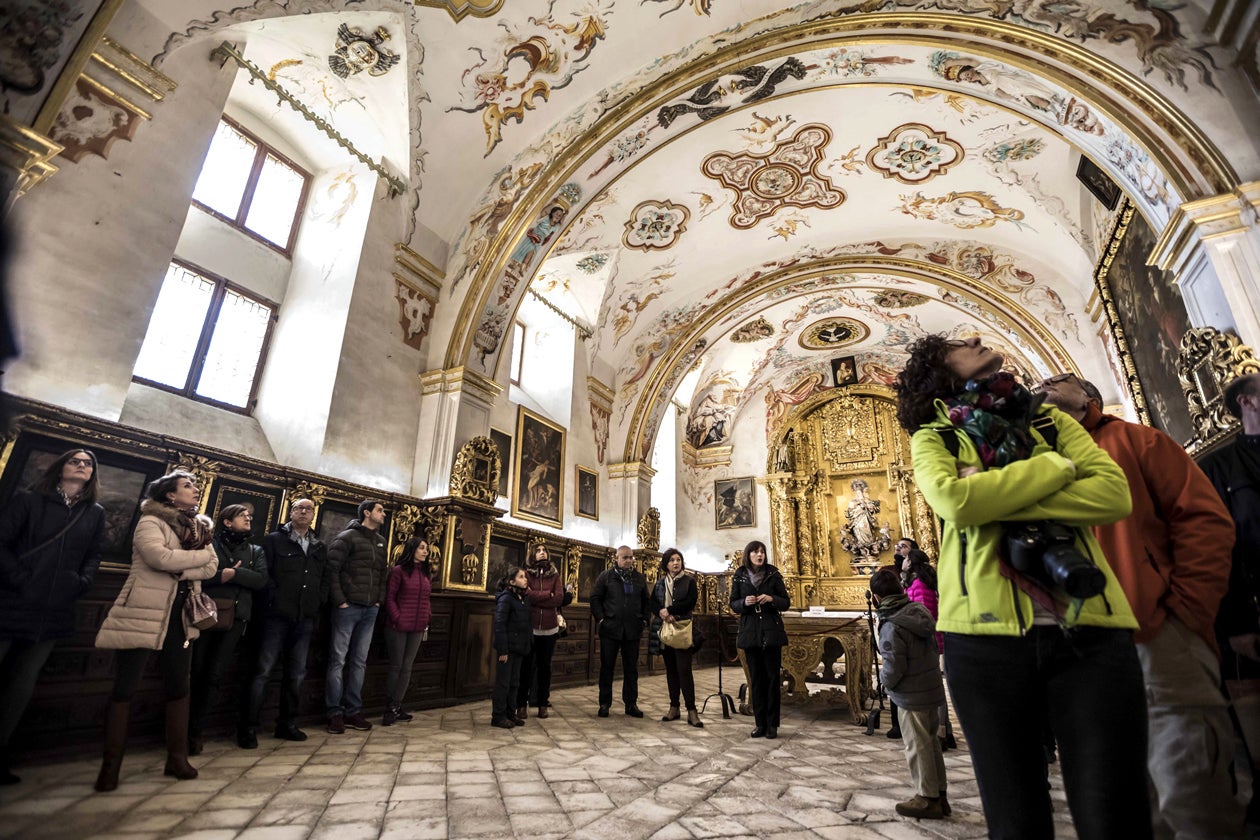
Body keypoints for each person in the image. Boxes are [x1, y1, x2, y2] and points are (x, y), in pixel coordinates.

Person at [894, 334, 1149, 839]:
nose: (973, 338)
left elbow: (1113, 495)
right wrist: (1057, 468)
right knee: (1015, 814)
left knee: (1114, 808)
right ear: (937, 371)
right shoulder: (934, 436)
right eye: (956, 343)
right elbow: (955, 502)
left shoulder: (1050, 421)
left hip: (1090, 629)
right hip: (983, 639)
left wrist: (991, 493)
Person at [1041, 371, 1241, 837]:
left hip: (1156, 634)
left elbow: (1204, 522)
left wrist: (1183, 611)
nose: (1046, 382)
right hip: (1082, 649)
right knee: (1126, 801)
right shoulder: (1035, 459)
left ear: (1088, 397)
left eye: (1060, 378)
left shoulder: (1136, 441)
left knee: (1191, 789)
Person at [93, 471, 218, 791]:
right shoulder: (150, 521)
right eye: (187, 486)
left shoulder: (199, 527)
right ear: (170, 495)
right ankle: (110, 767)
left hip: (181, 616)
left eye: (195, 485)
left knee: (179, 685)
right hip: (143, 611)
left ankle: (177, 759)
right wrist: (194, 559)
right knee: (125, 687)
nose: (195, 489)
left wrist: (182, 565)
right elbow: (158, 557)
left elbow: (211, 566)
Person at [0, 449, 105, 784]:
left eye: (88, 464)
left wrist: (81, 581)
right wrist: (20, 578)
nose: (82, 466)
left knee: (22, 683)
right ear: (61, 468)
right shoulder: (29, 500)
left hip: (55, 605)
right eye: (76, 461)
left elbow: (94, 554)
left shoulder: (94, 512)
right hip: (11, 600)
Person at [1198, 372, 1260, 829]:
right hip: (1251, 614)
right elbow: (1216, 549)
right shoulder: (1217, 467)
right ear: (1247, 402)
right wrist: (1236, 623)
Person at [243, 498, 326, 745]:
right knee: (262, 671)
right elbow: (264, 573)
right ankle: (248, 727)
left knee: (297, 673)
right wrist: (274, 598)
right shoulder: (273, 540)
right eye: (299, 508)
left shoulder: (319, 545)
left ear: (313, 515)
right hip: (276, 616)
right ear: (291, 513)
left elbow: (323, 577)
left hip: (304, 617)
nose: (304, 512)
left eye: (309, 509)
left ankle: (287, 724)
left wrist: (317, 601)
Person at [188, 504, 267, 753]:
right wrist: (221, 575)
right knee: (195, 671)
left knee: (215, 675)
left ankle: (196, 731)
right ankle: (182, 727)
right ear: (227, 522)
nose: (248, 518)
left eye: (249, 516)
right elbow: (197, 573)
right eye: (242, 515)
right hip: (205, 615)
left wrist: (234, 574)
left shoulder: (255, 550)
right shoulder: (209, 544)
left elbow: (261, 580)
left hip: (235, 619)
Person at [871, 568, 949, 820]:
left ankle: (927, 798)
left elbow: (894, 666)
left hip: (911, 694)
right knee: (931, 742)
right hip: (930, 688)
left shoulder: (892, 624)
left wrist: (885, 684)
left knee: (917, 744)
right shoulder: (918, 611)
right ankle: (939, 794)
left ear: (877, 598)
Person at [325, 499, 389, 734]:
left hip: (370, 609)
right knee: (338, 660)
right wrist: (340, 600)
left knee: (359, 662)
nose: (384, 514)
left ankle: (353, 711)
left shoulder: (381, 541)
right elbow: (332, 570)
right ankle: (334, 713)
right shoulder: (347, 537)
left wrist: (379, 599)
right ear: (367, 513)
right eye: (380, 510)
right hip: (348, 607)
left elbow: (382, 573)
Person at [729, 539, 790, 739]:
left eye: (762, 551)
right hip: (750, 632)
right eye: (755, 552)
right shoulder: (740, 575)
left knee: (772, 679)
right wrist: (743, 602)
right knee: (756, 679)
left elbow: (786, 602)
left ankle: (772, 725)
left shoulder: (773, 573)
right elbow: (733, 603)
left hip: (771, 631)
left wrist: (771, 599)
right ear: (748, 555)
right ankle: (760, 723)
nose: (759, 555)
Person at [901, 548, 955, 751]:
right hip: (929, 637)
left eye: (906, 558)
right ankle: (945, 731)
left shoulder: (919, 584)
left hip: (925, 638)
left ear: (911, 562)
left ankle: (940, 732)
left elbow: (922, 614)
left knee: (931, 685)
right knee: (933, 684)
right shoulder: (920, 581)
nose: (902, 560)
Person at [590, 545, 650, 718]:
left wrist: (644, 620)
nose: (629, 560)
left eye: (631, 557)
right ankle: (604, 704)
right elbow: (595, 598)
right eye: (625, 557)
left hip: (632, 630)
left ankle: (631, 704)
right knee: (607, 667)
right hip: (610, 629)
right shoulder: (606, 577)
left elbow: (647, 601)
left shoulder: (639, 578)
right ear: (616, 558)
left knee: (631, 669)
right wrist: (601, 619)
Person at [517, 541, 572, 720]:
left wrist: (540, 598)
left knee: (544, 669)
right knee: (525, 668)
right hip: (530, 628)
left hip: (549, 629)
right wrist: (547, 595)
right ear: (532, 554)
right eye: (538, 550)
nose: (542, 552)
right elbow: (526, 594)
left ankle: (542, 704)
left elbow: (559, 599)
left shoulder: (554, 575)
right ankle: (521, 705)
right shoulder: (526, 574)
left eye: (544, 550)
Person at [649, 548, 703, 728]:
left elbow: (690, 602)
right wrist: (661, 612)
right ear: (666, 564)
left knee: (684, 670)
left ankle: (692, 710)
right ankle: (674, 707)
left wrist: (670, 611)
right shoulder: (660, 583)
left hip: (682, 629)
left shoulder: (689, 581)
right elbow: (652, 602)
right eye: (672, 560)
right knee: (671, 670)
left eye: (678, 559)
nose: (676, 563)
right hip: (665, 630)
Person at [383, 536, 433, 726]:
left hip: (418, 627)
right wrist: (397, 617)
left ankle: (397, 705)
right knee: (396, 666)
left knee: (407, 667)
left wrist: (427, 617)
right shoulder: (398, 571)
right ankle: (389, 708)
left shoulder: (426, 573)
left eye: (426, 548)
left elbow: (427, 598)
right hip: (398, 627)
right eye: (422, 548)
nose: (425, 552)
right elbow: (390, 597)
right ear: (412, 549)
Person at [885, 537, 920, 741]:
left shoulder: (919, 577)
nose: (898, 549)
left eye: (903, 546)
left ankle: (938, 730)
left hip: (912, 633)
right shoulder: (892, 571)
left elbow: (920, 609)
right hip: (900, 630)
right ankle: (899, 724)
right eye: (897, 546)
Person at [491, 565, 531, 729]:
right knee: (503, 683)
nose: (525, 579)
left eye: (525, 576)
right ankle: (498, 716)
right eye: (521, 577)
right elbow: (500, 625)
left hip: (518, 648)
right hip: (507, 649)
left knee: (514, 683)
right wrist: (503, 650)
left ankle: (510, 713)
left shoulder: (521, 598)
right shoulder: (506, 598)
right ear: (512, 581)